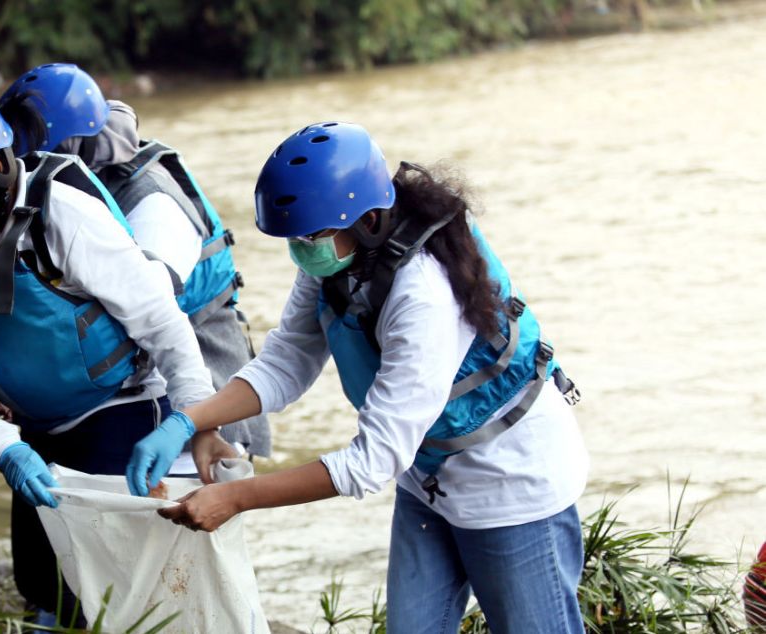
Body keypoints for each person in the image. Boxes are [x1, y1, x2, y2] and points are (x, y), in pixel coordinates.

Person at [134, 122, 590, 633]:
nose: (301, 250)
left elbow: (372, 460)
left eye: (310, 236)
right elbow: (287, 361)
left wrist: (236, 498)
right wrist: (188, 421)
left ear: (369, 219)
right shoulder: (336, 259)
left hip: (510, 482)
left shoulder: (423, 294)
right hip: (429, 481)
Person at [0, 82, 218, 624]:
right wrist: (2, 446)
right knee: (42, 579)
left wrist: (189, 419)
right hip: (34, 431)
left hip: (119, 411)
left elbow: (161, 321)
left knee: (121, 585)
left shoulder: (63, 213)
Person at [0, 63, 271, 468]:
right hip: (121, 407)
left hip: (200, 401)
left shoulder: (153, 203)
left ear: (69, 147)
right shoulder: (65, 192)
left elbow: (148, 314)